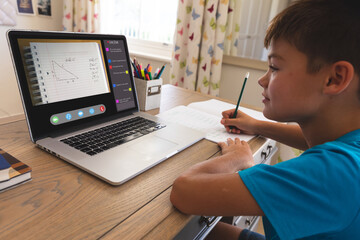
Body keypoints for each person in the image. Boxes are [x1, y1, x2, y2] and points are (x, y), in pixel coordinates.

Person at [170, 0, 360, 239]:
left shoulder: (334, 173)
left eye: (275, 67)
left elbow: (183, 191)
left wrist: (237, 159)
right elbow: (306, 138)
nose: (263, 80)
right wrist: (255, 124)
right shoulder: (349, 146)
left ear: (334, 78)